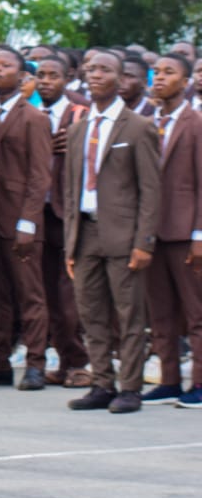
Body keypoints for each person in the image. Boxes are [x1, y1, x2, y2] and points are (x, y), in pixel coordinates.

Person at [64, 49, 159, 414]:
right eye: (90, 70)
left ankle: (130, 388)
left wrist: (144, 241)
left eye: (104, 70)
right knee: (91, 313)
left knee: (129, 315)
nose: (95, 75)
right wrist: (71, 243)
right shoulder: (78, 129)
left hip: (123, 236)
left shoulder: (138, 127)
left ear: (120, 80)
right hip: (85, 233)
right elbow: (71, 190)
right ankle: (102, 383)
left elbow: (151, 190)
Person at [0, 47, 53, 391]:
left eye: (5, 65)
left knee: (30, 296)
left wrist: (28, 221)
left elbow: (40, 176)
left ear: (23, 75)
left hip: (21, 222)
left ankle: (35, 364)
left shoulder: (34, 117)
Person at [141, 53, 202, 408]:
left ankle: (199, 382)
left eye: (169, 73)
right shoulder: (148, 121)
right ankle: (168, 380)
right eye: (157, 72)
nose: (160, 78)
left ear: (186, 81)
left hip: (185, 232)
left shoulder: (195, 123)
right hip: (152, 233)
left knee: (196, 312)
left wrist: (199, 234)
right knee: (160, 311)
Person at [32, 53, 91, 387]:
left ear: (66, 78)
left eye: (53, 75)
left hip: (70, 213)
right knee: (49, 294)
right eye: (40, 75)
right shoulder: (33, 111)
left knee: (71, 296)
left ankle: (82, 360)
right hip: (39, 214)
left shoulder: (81, 111)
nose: (45, 81)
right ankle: (65, 359)